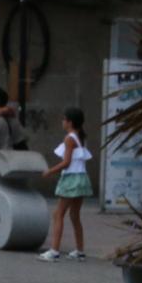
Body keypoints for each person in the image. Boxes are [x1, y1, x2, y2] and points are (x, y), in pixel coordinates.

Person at [37, 106, 91, 261]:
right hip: (81, 178)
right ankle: (80, 250)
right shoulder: (81, 138)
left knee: (58, 214)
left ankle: (54, 251)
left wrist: (50, 171)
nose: (62, 122)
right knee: (75, 215)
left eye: (64, 119)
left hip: (71, 179)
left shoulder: (69, 139)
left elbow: (66, 163)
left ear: (69, 122)